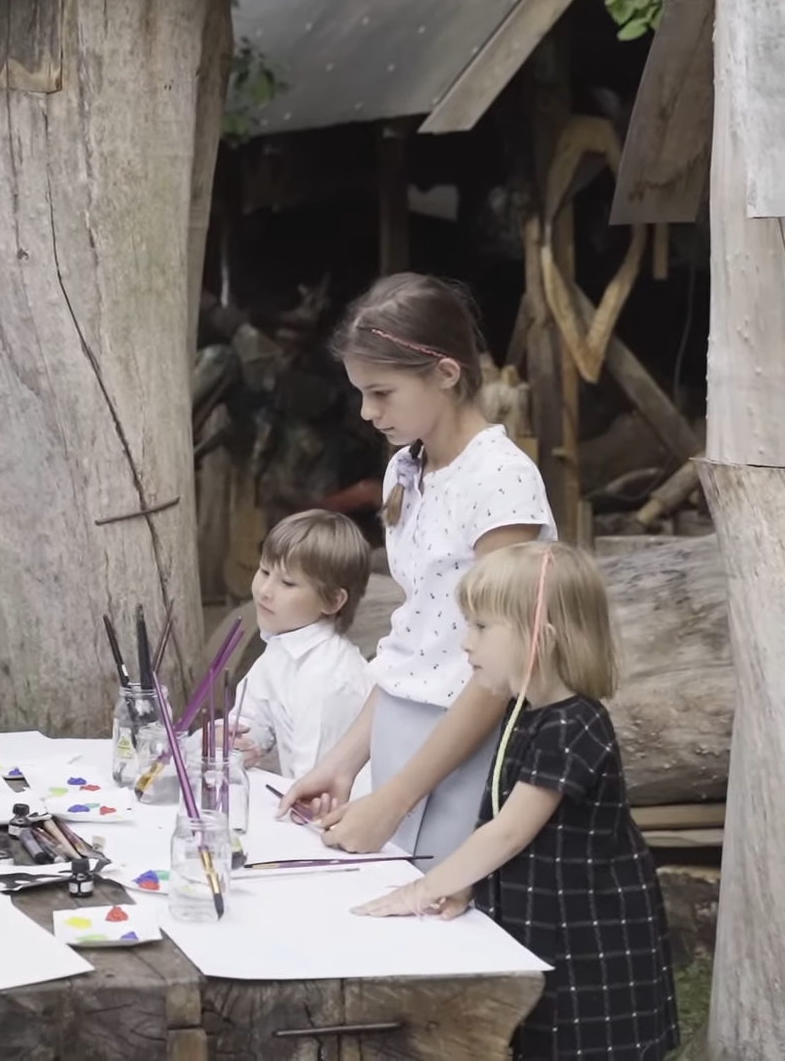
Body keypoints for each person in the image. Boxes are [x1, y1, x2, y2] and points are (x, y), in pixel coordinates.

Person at [355, 541, 678, 1059]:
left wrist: (427, 887)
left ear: (541, 640)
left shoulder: (573, 725)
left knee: (583, 1044)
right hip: (542, 917)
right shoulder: (526, 715)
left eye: (481, 628)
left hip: (586, 937)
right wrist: (469, 887)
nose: (466, 644)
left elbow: (508, 830)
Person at [277, 273, 553, 866]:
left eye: (382, 393)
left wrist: (395, 800)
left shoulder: (500, 481)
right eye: (359, 392)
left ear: (447, 374)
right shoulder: (406, 467)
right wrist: (345, 763)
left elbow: (500, 664)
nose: (366, 411)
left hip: (471, 738)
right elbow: (416, 641)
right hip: (402, 731)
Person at [216, 509, 373, 788]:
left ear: (333, 601)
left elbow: (314, 780)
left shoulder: (328, 677)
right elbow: (249, 720)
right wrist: (237, 741)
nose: (265, 590)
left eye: (287, 583)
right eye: (264, 571)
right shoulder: (281, 649)